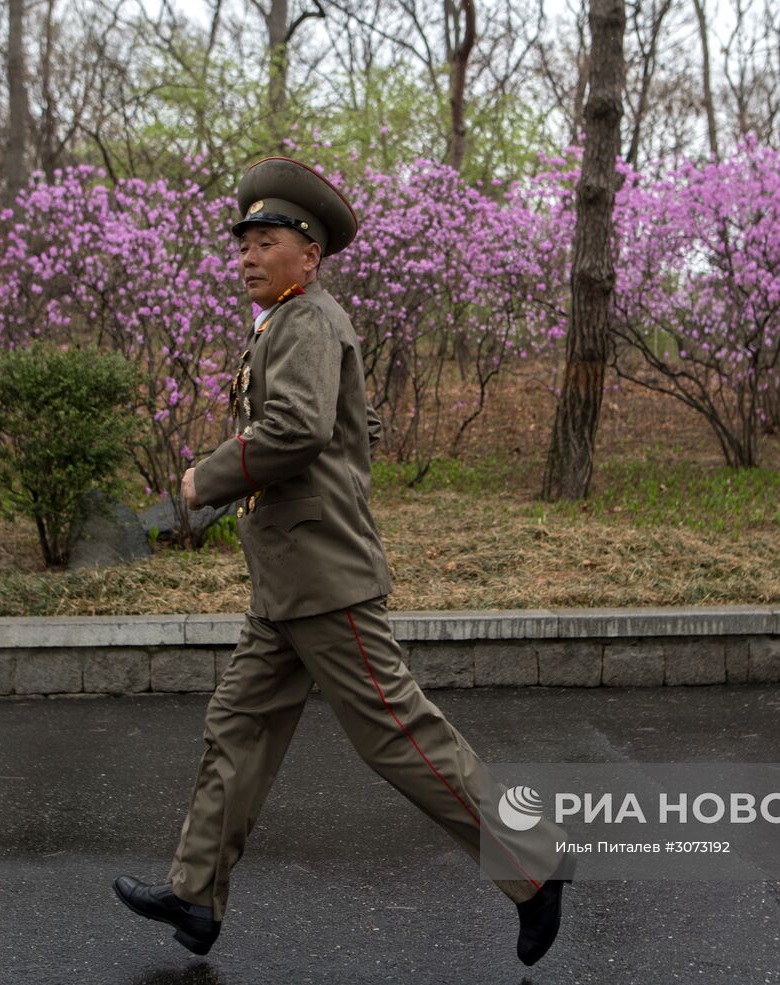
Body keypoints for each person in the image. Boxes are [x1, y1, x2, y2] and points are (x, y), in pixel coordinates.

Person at [112, 157, 573, 967]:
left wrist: (205, 478)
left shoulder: (308, 320)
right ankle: (194, 894)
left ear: (309, 253)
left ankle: (536, 863)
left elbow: (294, 428)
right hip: (287, 580)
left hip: (325, 579)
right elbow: (343, 426)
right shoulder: (288, 323)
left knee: (398, 733)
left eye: (266, 240)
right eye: (243, 242)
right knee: (238, 727)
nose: (248, 255)